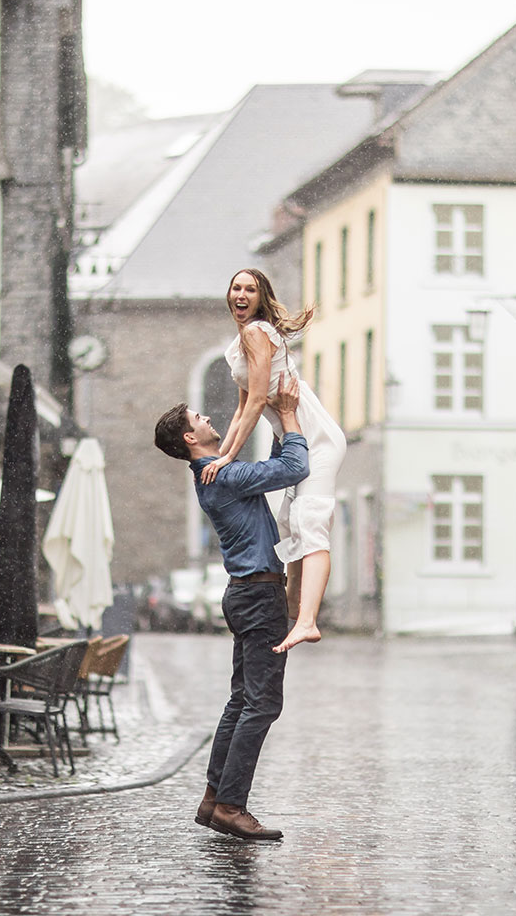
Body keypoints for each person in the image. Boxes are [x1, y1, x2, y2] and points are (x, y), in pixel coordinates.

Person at [154, 374, 308, 841]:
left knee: (241, 699)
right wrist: (287, 417)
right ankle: (230, 806)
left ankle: (212, 798)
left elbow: (244, 425)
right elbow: (294, 466)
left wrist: (253, 394)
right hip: (259, 597)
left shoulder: (215, 471)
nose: (208, 418)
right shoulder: (223, 475)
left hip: (246, 593)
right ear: (188, 437)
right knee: (261, 704)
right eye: (198, 418)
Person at [199, 267, 347, 654]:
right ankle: (295, 611)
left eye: (250, 289)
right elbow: (240, 410)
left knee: (309, 522)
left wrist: (229, 455)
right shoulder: (239, 344)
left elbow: (260, 397)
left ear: (261, 297)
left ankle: (307, 621)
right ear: (228, 294)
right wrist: (220, 456)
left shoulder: (256, 333)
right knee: (289, 523)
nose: (241, 294)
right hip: (293, 438)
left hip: (316, 439)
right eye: (236, 288)